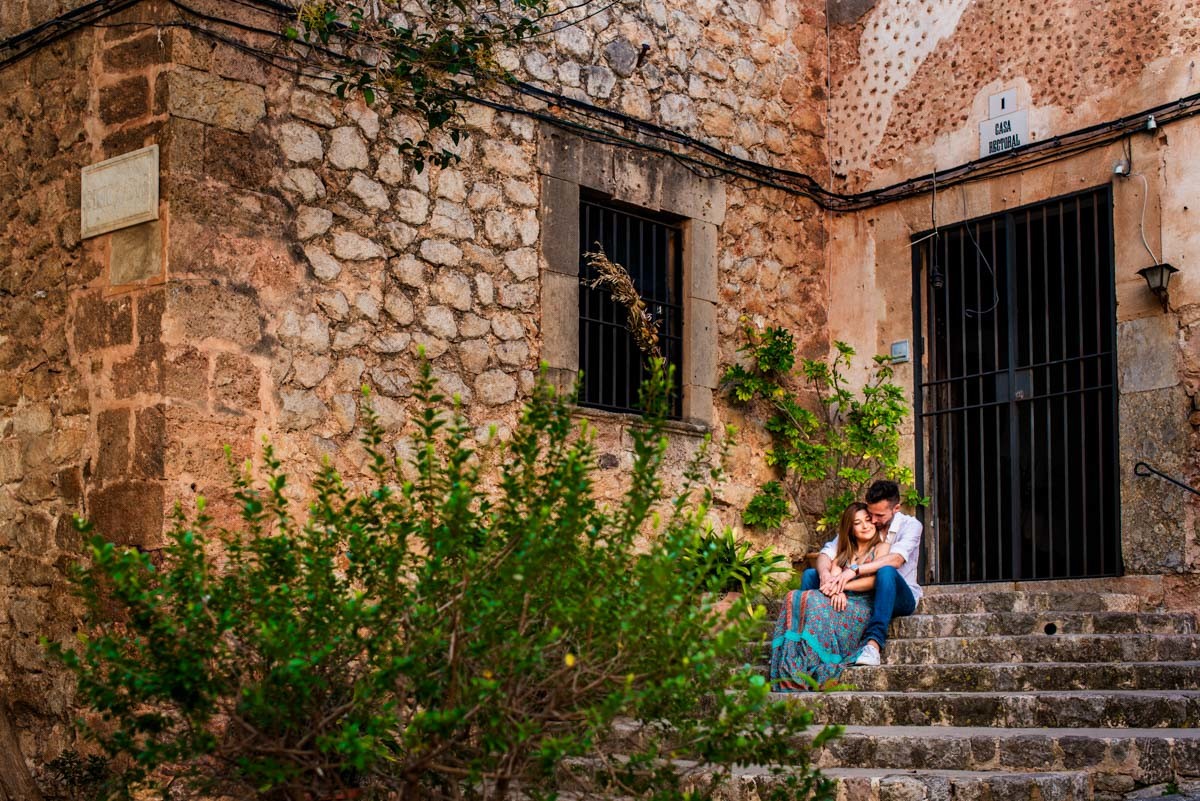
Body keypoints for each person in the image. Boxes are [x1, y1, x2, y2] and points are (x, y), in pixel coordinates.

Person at [798, 480, 923, 666]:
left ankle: (873, 645)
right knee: (810, 575)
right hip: (863, 593)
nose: (872, 521)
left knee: (886, 572)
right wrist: (827, 577)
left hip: (897, 595)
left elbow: (896, 560)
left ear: (896, 508)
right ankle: (804, 639)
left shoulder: (911, 526)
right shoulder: (865, 523)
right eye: (870, 513)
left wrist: (852, 572)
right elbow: (827, 553)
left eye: (878, 515)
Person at [770, 502, 890, 690]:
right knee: (794, 595)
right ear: (850, 529)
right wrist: (838, 590)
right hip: (839, 598)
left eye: (868, 520)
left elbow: (875, 580)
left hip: (862, 603)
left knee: (811, 600)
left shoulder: (881, 548)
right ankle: (792, 663)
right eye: (858, 523)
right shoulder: (844, 552)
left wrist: (843, 587)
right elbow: (832, 575)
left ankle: (812, 660)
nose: (865, 526)